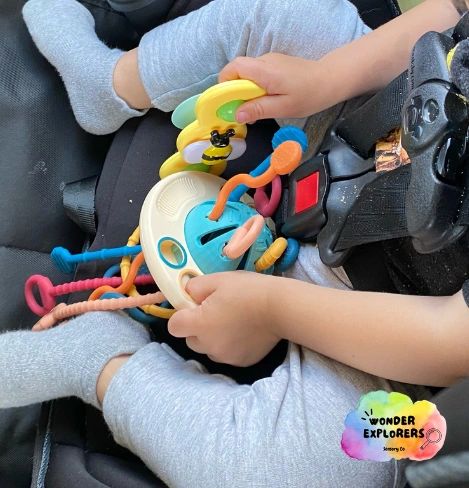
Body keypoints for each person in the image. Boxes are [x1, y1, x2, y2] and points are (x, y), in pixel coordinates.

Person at [0, 0, 467, 487]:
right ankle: (113, 83)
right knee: (289, 14)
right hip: (358, 118)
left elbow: (452, 341)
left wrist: (273, 309)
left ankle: (99, 360)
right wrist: (326, 78)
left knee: (313, 471)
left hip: (382, 325)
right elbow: (450, 13)